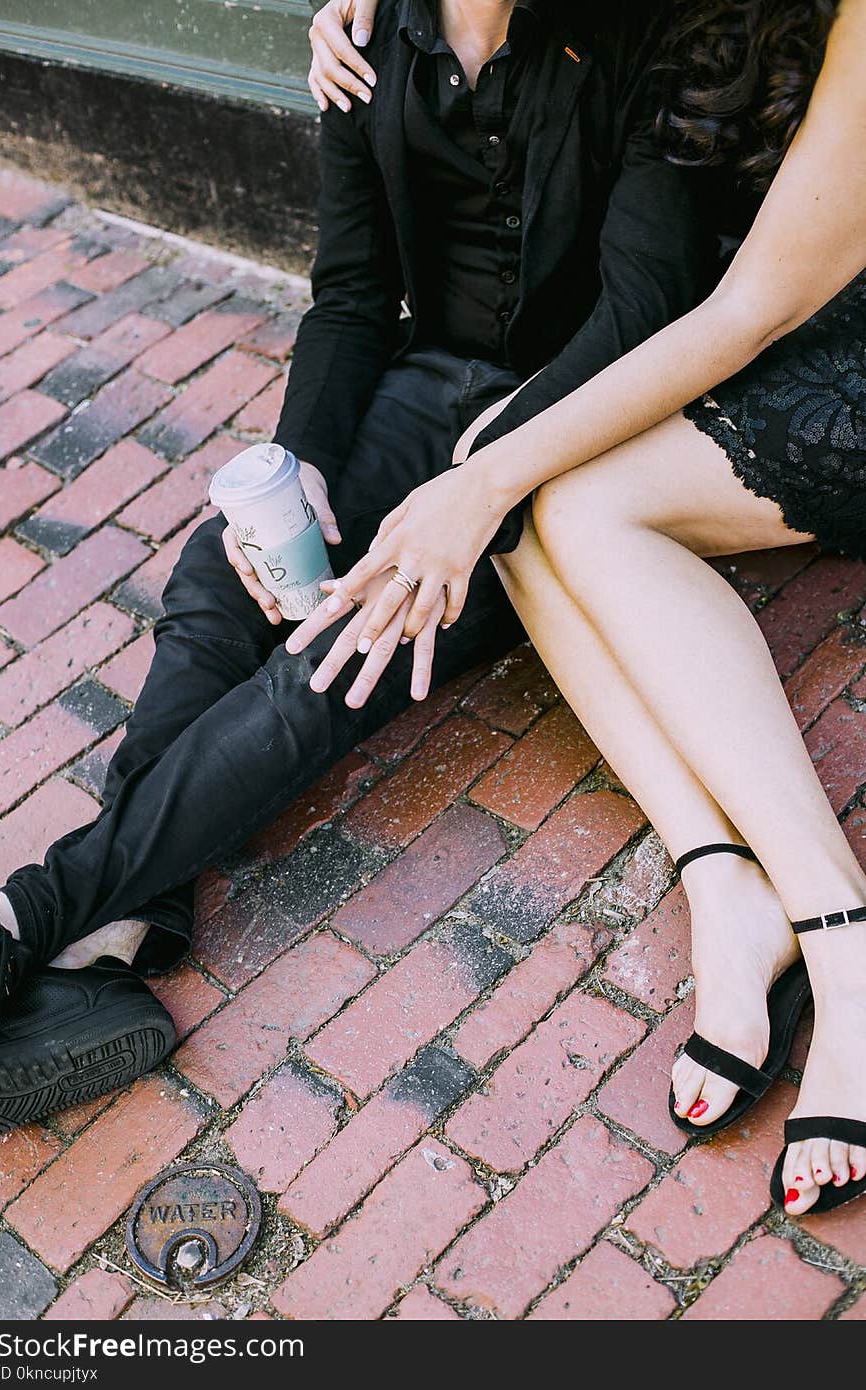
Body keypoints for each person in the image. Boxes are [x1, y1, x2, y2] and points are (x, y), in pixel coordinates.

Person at [0, 1, 710, 1135]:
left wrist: (482, 483)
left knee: (340, 648)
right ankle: (113, 939)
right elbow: (355, 296)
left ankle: (30, 917)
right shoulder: (367, 43)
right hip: (424, 387)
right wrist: (308, 467)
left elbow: (640, 311)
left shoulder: (651, 42)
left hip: (564, 441)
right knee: (219, 581)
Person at [294, 0, 866, 1217]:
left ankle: (840, 932)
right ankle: (725, 888)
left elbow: (755, 305)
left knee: (528, 482)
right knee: (516, 462)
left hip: (810, 328)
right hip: (751, 312)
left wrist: (481, 479)